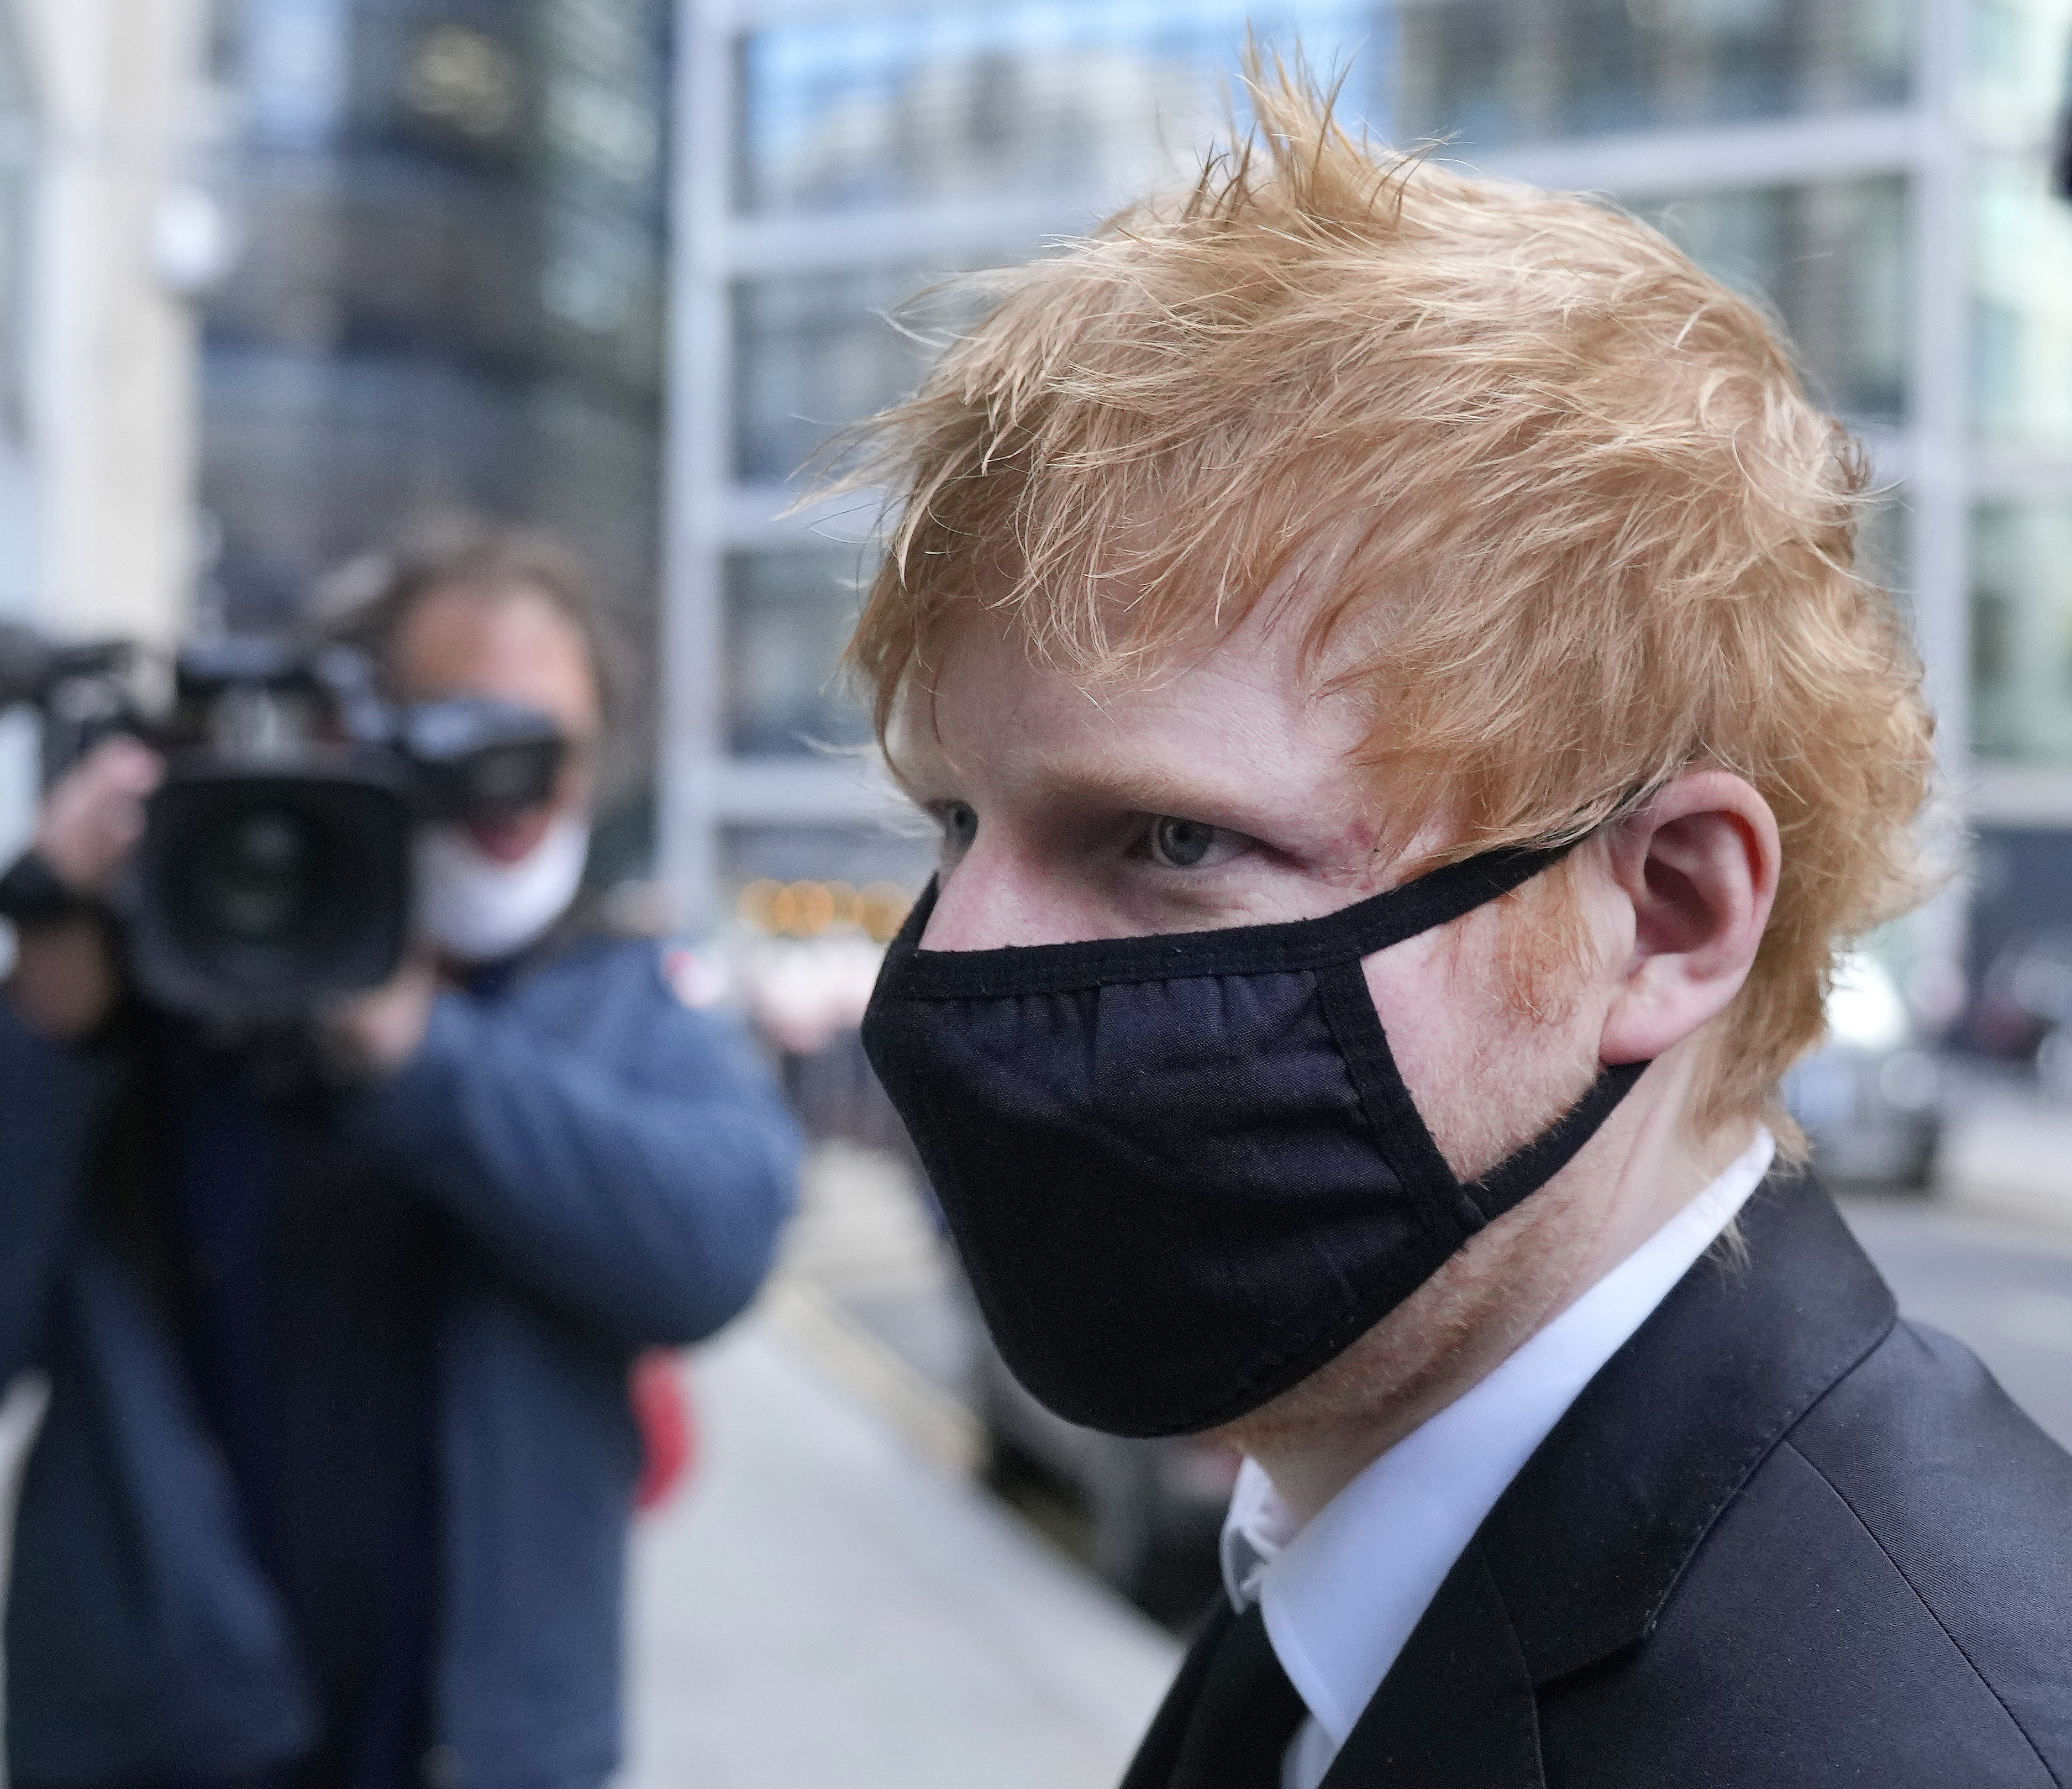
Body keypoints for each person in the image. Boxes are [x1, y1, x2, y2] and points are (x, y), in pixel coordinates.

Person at [844, 70, 2072, 1789]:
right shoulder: (1357, 1566)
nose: (951, 960)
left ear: (1665, 912)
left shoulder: (1917, 1740)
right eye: (952, 823)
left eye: (1172, 838)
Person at [0, 516, 800, 1789]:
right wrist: (43, 1010)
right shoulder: (145, 1000)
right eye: (461, 736)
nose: (514, 794)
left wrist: (411, 1047)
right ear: (346, 734)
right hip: (154, 1750)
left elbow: (714, 1251)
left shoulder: (618, 1000)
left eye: (549, 747)